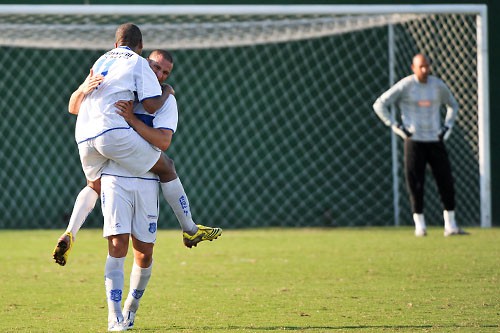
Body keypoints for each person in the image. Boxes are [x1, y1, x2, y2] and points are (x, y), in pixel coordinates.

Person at [52, 47, 221, 266]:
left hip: (93, 142)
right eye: (156, 67)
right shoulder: (134, 74)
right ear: (144, 60)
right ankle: (189, 228)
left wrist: (136, 113)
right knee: (166, 167)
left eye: (165, 73)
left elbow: (163, 140)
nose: (159, 75)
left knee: (95, 187)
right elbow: (150, 111)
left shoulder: (115, 75)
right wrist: (166, 91)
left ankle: (70, 232)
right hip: (117, 156)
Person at [373, 53, 468, 237]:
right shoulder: (406, 86)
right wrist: (396, 126)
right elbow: (380, 104)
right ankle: (420, 226)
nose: (424, 70)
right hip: (414, 141)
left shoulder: (437, 86)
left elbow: (453, 105)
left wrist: (446, 127)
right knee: (416, 183)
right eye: (421, 67)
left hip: (435, 140)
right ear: (413, 68)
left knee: (446, 181)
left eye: (427, 66)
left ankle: (450, 225)